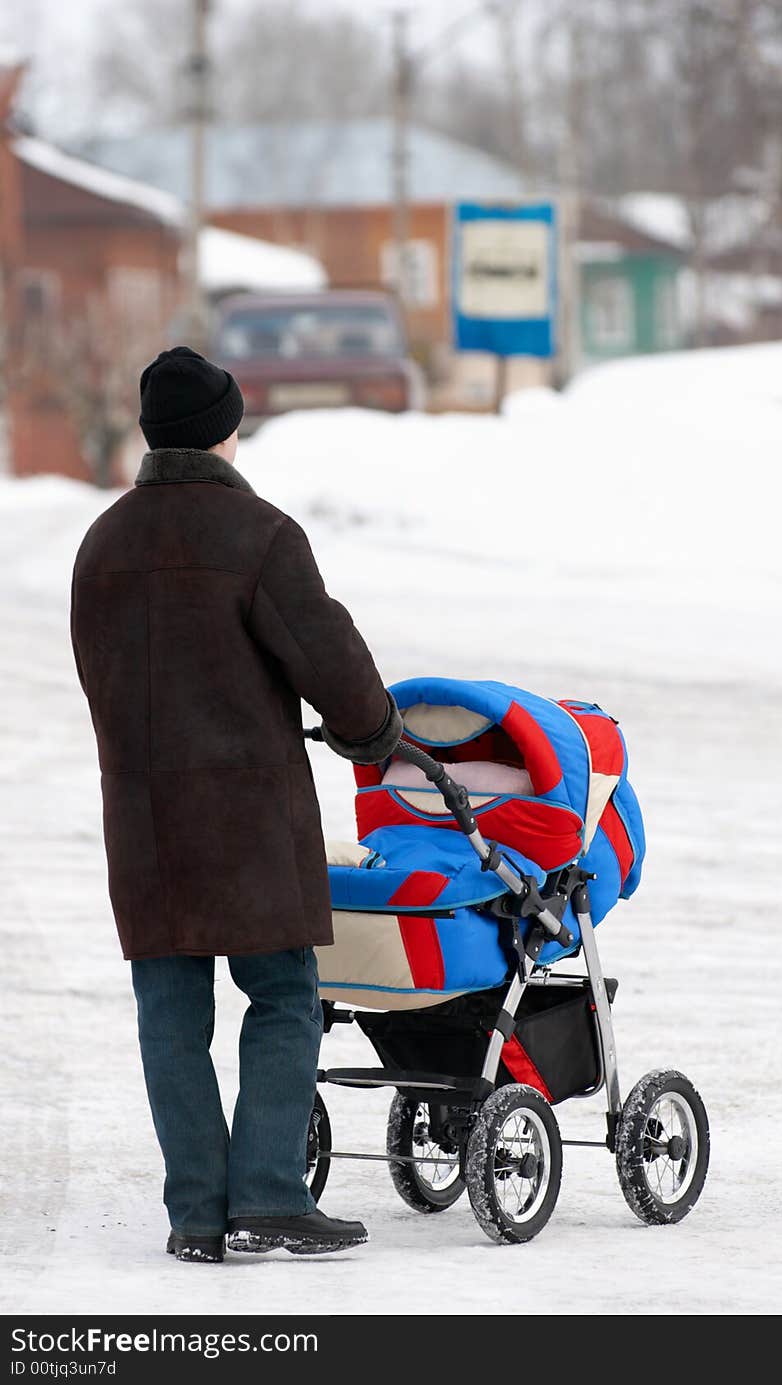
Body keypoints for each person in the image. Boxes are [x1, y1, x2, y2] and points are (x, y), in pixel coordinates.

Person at [70, 346, 402, 1264]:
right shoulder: (257, 534)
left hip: (143, 826)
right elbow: (329, 658)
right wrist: (374, 733)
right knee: (285, 994)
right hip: (248, 821)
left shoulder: (99, 545)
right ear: (225, 427)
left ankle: (197, 1214)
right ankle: (269, 1196)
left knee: (169, 1012)